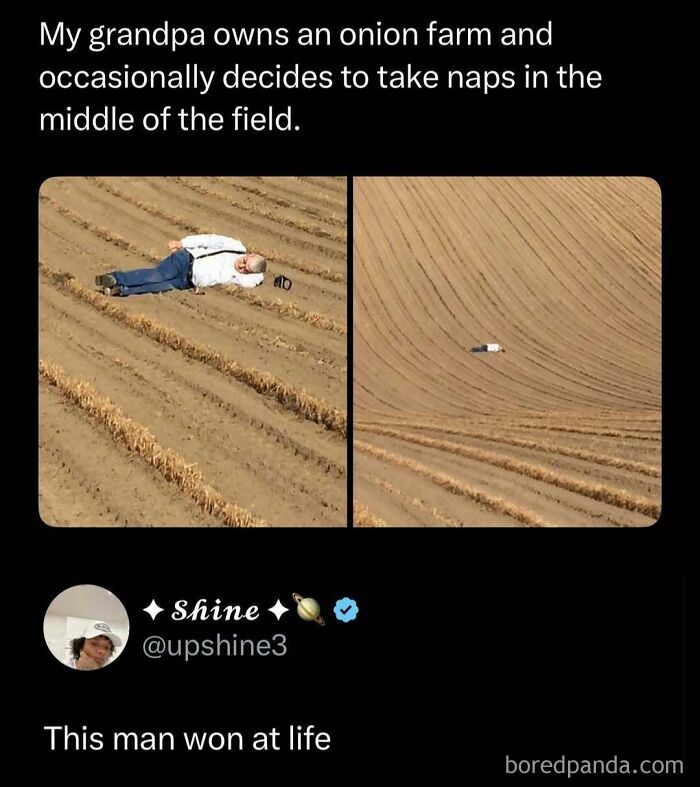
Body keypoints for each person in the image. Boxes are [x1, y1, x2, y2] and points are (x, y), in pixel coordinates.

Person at [95, 234, 267, 296]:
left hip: (187, 282)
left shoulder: (244, 277)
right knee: (157, 275)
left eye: (246, 270)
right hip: (185, 260)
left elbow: (256, 279)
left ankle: (119, 290)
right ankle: (114, 278)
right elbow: (209, 239)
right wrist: (181, 243)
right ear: (249, 254)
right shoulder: (235, 247)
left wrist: (256, 271)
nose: (241, 267)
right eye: (244, 262)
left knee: (155, 287)